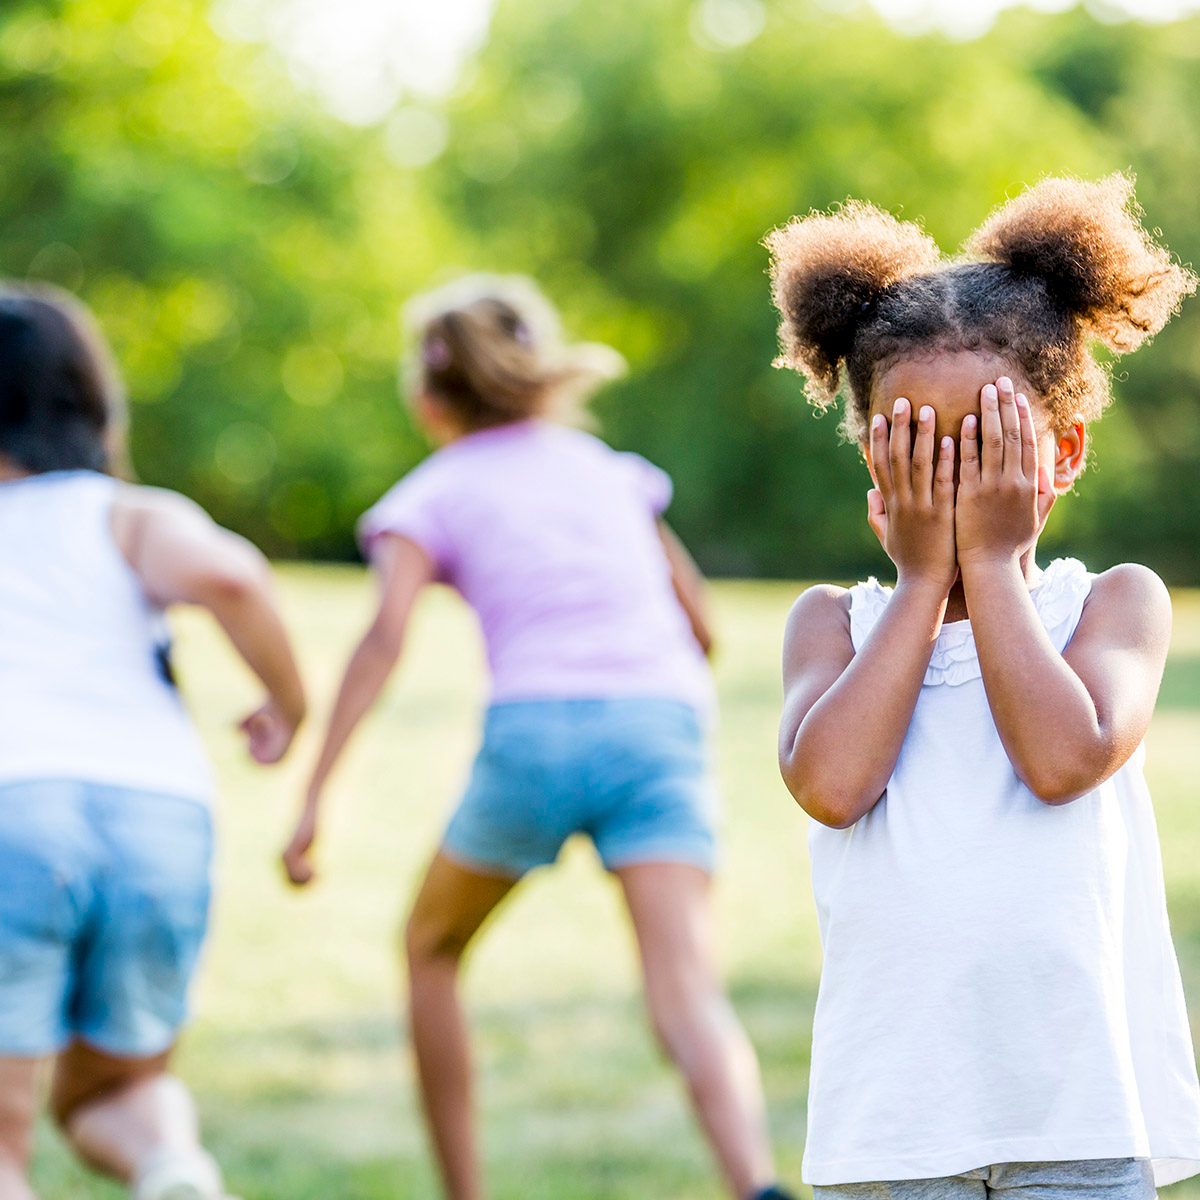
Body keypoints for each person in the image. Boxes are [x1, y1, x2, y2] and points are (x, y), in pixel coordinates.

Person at [282, 274, 796, 1200]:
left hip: (534, 732)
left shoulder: (431, 491)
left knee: (431, 950)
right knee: (686, 986)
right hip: (660, 724)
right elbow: (702, 624)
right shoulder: (609, 471)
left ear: (427, 397)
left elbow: (381, 643)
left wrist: (316, 800)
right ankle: (754, 1181)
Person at [766, 173, 1200, 1199]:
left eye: (989, 453)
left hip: (1076, 1117)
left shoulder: (1113, 607)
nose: (956, 489)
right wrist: (924, 579)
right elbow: (830, 786)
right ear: (875, 461)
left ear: (1062, 456)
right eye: (923, 452)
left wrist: (994, 570)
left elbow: (1063, 760)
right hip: (892, 1132)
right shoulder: (833, 623)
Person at [0, 284, 306, 1200]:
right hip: (158, 817)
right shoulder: (126, 514)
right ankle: (171, 1168)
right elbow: (229, 575)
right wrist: (287, 703)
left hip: (13, 808)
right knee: (120, 1089)